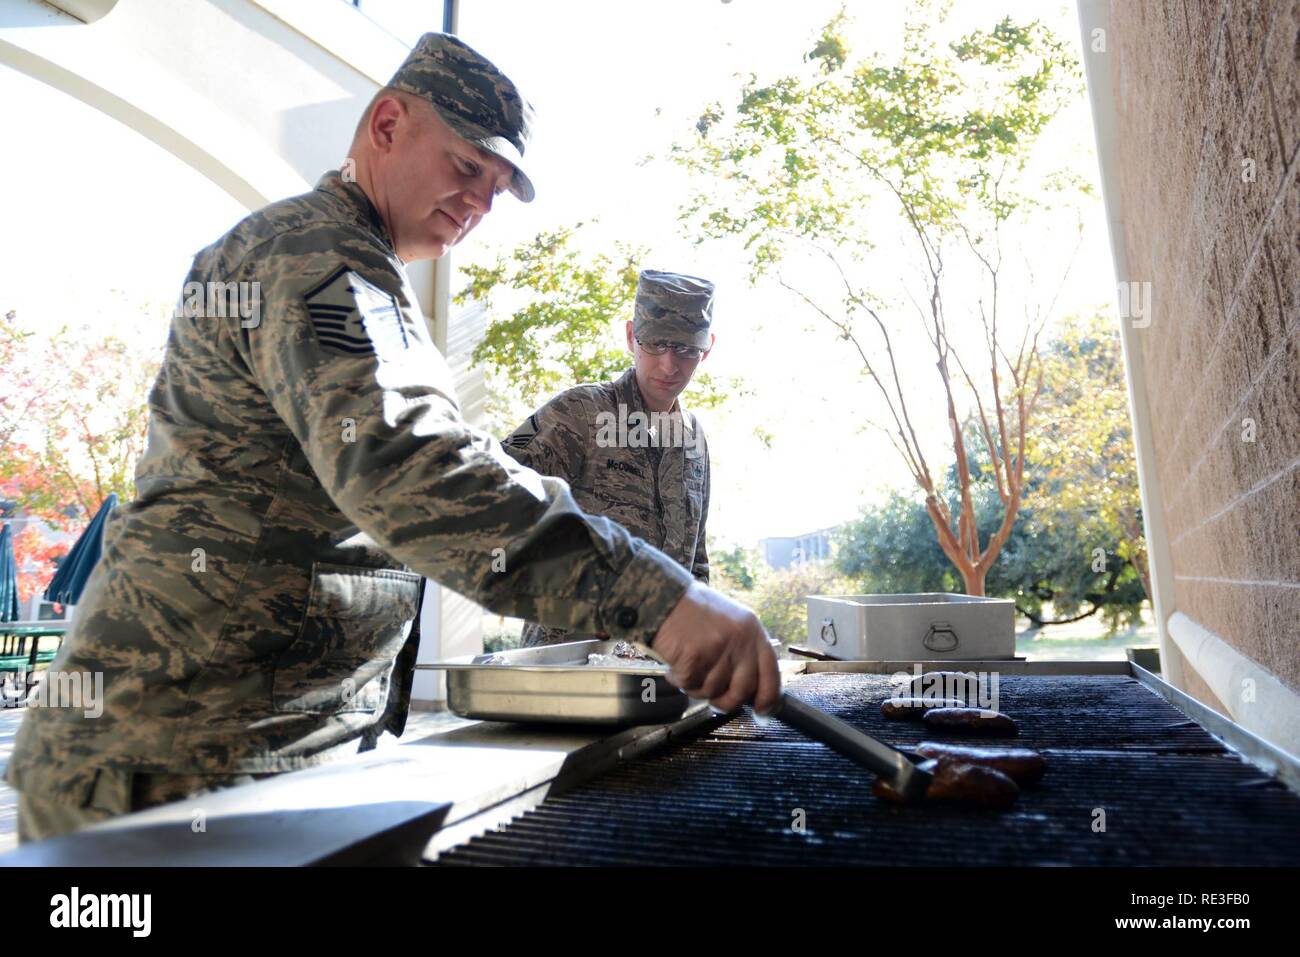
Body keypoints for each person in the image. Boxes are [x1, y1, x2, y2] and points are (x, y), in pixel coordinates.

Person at [8, 32, 779, 843]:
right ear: (385, 126)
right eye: (466, 167)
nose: (479, 203)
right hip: (169, 756)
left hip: (264, 754)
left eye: (497, 188)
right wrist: (657, 597)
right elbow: (411, 466)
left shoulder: (360, 269)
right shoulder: (312, 254)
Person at [503, 269, 715, 646]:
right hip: (565, 661)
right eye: (655, 344)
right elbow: (495, 497)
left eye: (685, 349)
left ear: (707, 348)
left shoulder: (693, 441)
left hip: (656, 667)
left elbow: (695, 564)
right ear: (632, 336)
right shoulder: (580, 412)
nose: (669, 365)